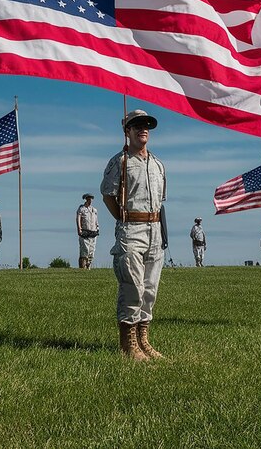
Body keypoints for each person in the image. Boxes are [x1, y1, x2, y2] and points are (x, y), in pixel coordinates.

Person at [100, 109, 167, 361]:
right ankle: (128, 344)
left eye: (147, 124)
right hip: (132, 229)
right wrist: (123, 219)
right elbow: (108, 194)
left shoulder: (158, 165)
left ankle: (143, 340)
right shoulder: (120, 161)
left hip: (155, 231)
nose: (143, 128)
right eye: (137, 125)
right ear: (126, 131)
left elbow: (161, 201)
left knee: (150, 288)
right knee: (133, 286)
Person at [76, 193, 99, 269]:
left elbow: (96, 220)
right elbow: (78, 219)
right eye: (88, 199)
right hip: (85, 231)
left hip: (93, 232)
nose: (90, 200)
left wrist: (97, 228)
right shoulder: (81, 209)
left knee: (92, 251)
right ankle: (82, 268)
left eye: (91, 199)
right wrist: (79, 229)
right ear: (86, 199)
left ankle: (89, 266)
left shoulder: (94, 210)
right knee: (84, 250)